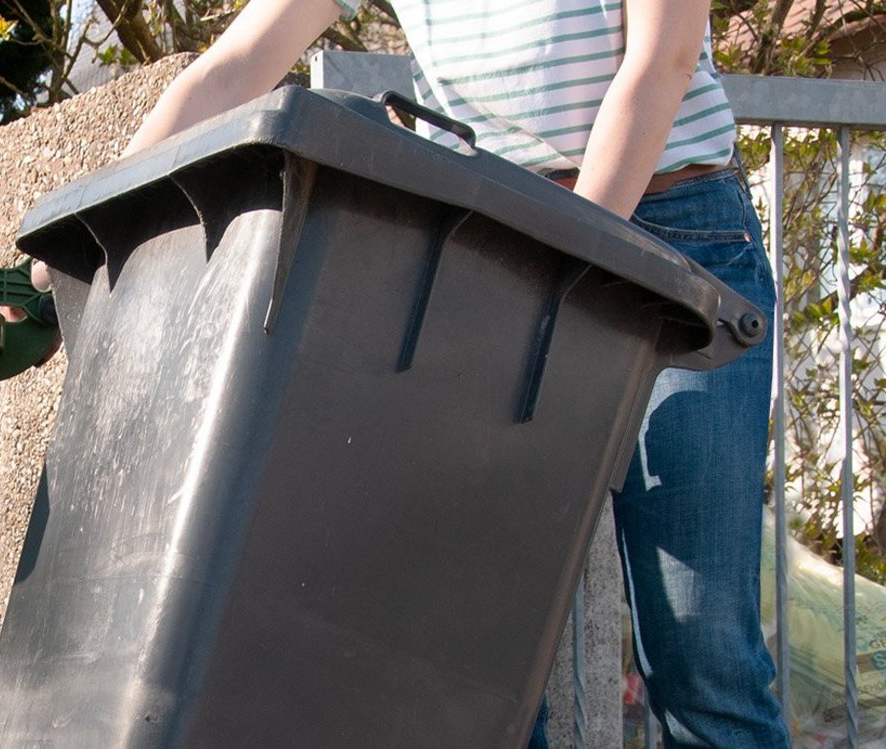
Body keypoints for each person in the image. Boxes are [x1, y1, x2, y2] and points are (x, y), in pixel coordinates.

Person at [109, 0, 790, 746]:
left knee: (702, 643)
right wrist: (91, 227)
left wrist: (574, 271)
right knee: (474, 652)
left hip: (674, 246)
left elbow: (662, 63)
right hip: (502, 253)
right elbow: (232, 69)